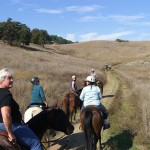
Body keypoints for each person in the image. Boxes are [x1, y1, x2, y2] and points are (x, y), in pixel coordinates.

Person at [0, 68, 42, 149]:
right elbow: (6, 115)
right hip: (10, 125)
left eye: (12, 78)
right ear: (2, 79)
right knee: (35, 143)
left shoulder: (32, 88)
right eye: (9, 78)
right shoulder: (5, 94)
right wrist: (10, 133)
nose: (12, 80)